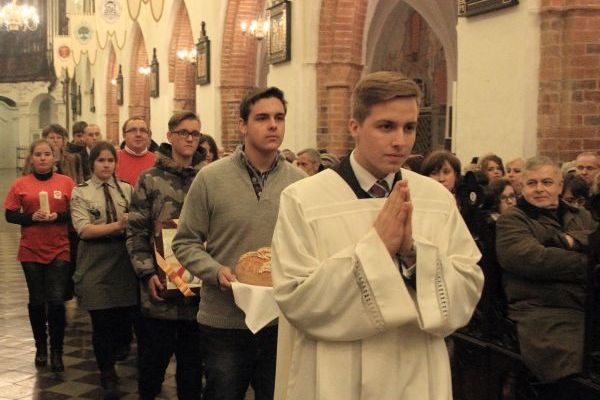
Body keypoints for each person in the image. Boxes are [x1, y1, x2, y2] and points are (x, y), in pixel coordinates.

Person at [270, 71, 484, 400]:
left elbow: (467, 286)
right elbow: (296, 297)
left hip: (413, 368)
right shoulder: (304, 199)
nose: (400, 141)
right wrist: (376, 249)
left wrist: (414, 255)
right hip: (335, 375)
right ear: (354, 126)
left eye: (409, 127)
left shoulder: (435, 199)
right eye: (386, 126)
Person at [172, 87, 306, 400]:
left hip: (280, 321)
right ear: (243, 125)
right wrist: (214, 270)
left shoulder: (299, 183)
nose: (273, 125)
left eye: (279, 118)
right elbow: (185, 241)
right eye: (262, 118)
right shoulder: (211, 178)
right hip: (225, 320)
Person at [496, 156, 597, 399]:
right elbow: (532, 259)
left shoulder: (580, 215)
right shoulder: (514, 219)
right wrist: (587, 261)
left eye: (547, 182)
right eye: (532, 183)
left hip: (586, 304)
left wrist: (566, 242)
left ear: (560, 186)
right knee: (573, 367)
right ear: (522, 186)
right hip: (542, 311)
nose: (539, 188)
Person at [127, 111, 206, 400]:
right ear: (170, 136)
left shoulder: (208, 177)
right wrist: (147, 274)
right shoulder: (149, 179)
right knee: (151, 369)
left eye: (195, 134)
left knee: (192, 372)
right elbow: (135, 232)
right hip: (160, 293)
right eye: (183, 132)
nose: (189, 138)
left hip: (199, 294)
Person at [70, 141, 138, 398]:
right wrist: (118, 226)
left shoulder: (127, 190)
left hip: (123, 263)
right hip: (95, 263)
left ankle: (120, 348)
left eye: (110, 160)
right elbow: (84, 229)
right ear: (92, 164)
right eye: (101, 160)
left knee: (123, 320)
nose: (106, 165)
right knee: (102, 322)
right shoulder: (82, 192)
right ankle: (106, 370)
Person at [4, 139, 75, 372]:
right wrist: (31, 218)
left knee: (56, 300)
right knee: (37, 300)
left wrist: (57, 217)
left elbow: (75, 212)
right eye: (38, 154)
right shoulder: (20, 184)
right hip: (31, 249)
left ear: (54, 157)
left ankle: (57, 350)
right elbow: (10, 215)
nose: (43, 158)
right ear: (31, 158)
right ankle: (40, 348)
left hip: (59, 247)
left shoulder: (66, 183)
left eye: (47, 154)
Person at [115, 117, 156, 186]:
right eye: (133, 130)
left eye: (142, 130)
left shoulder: (157, 161)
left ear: (148, 136)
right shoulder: (113, 159)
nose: (138, 134)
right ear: (124, 135)